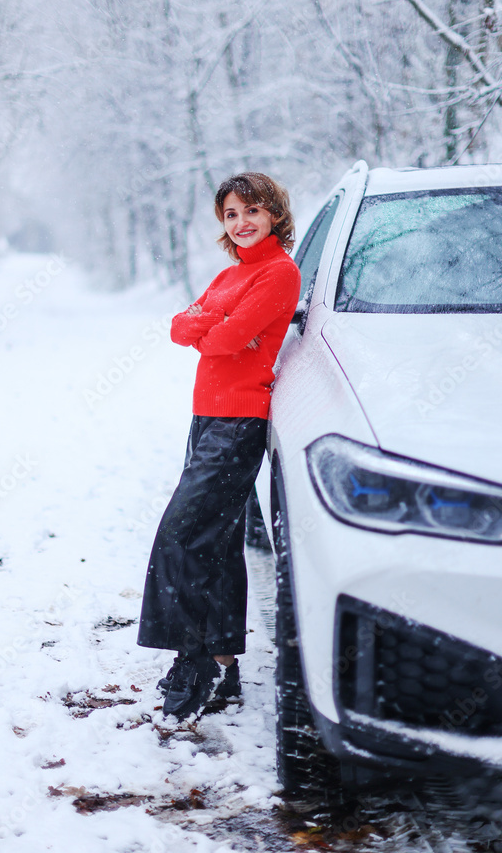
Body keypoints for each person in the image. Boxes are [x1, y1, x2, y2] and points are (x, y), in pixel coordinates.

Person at [137, 172, 301, 720]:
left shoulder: (279, 274)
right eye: (231, 214)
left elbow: (226, 340)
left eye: (251, 211)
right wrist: (217, 323)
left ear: (274, 214)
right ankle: (225, 666)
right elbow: (181, 328)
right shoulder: (232, 275)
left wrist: (220, 328)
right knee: (219, 542)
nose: (241, 222)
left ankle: (195, 661)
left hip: (239, 423)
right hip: (206, 418)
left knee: (182, 534)